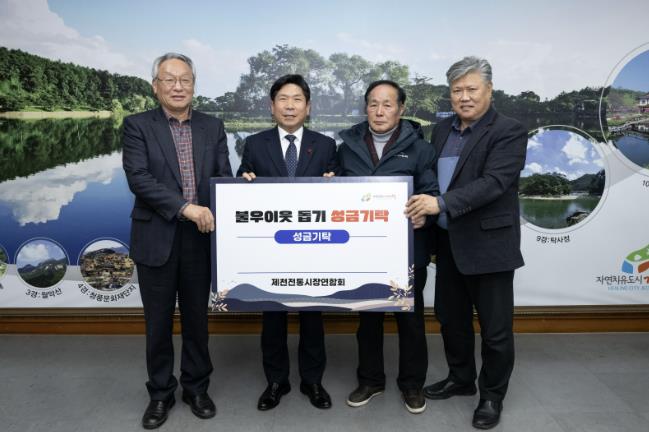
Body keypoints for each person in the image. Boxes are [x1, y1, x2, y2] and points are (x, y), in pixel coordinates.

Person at [406, 56, 527, 429]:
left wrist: (440, 204)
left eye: (472, 89)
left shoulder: (508, 130)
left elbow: (494, 183)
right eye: (457, 90)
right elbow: (434, 181)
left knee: (495, 329)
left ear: (489, 89)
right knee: (451, 320)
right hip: (448, 243)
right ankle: (460, 378)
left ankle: (491, 396)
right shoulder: (442, 130)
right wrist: (425, 209)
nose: (464, 97)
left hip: (490, 244)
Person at [122, 52, 232, 429]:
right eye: (169, 80)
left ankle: (196, 388)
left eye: (185, 79)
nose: (178, 86)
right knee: (158, 323)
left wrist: (238, 194)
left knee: (197, 321)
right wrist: (187, 208)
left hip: (201, 238)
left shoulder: (212, 126)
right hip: (157, 237)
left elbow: (222, 177)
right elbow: (139, 179)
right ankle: (160, 393)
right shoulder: (137, 125)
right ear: (156, 87)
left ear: (194, 86)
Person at [338, 80, 438, 414]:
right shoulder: (346, 147)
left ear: (401, 109)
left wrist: (425, 212)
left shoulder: (421, 149)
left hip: (407, 251)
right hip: (362, 251)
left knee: (411, 323)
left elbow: (432, 193)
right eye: (373, 104)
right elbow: (334, 193)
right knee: (368, 320)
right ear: (365, 108)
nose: (379, 111)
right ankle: (370, 380)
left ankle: (412, 384)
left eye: (387, 104)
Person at [238, 74, 337, 411]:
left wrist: (334, 183)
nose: (290, 106)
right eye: (283, 99)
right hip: (271, 248)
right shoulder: (255, 144)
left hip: (312, 246)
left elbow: (339, 194)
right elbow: (241, 185)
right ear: (272, 106)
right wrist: (243, 181)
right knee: (273, 316)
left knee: (312, 315)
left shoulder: (325, 145)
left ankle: (313, 381)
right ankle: (276, 381)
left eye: (297, 99)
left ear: (308, 107)